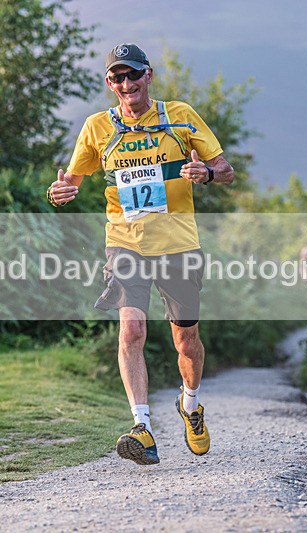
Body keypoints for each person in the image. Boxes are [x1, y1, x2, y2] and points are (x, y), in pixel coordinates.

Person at [47, 43, 234, 465]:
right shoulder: (97, 127)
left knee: (186, 342)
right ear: (109, 83)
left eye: (133, 75)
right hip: (125, 244)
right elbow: (70, 181)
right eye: (117, 77)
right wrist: (59, 192)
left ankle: (190, 406)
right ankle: (142, 428)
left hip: (178, 245)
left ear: (149, 75)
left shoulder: (180, 116)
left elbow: (226, 169)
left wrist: (205, 173)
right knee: (131, 331)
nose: (126, 84)